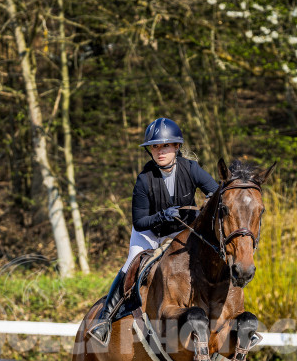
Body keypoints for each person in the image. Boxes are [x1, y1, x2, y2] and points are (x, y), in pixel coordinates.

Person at [87, 117, 219, 345]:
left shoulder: (191, 168)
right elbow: (139, 222)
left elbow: (216, 193)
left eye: (165, 146)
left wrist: (207, 205)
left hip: (182, 230)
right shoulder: (144, 179)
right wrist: (162, 215)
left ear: (177, 147)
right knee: (131, 263)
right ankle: (104, 319)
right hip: (150, 231)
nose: (160, 151)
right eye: (155, 146)